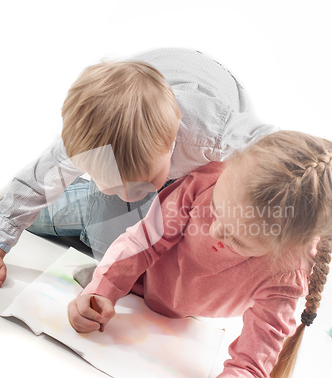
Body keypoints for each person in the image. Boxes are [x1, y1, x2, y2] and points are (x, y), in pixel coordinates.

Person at [67, 130, 332, 378]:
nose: (216, 231)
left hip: (153, 300)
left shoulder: (286, 276)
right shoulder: (209, 181)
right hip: (117, 213)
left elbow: (252, 370)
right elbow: (144, 240)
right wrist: (104, 288)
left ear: (284, 249)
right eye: (216, 209)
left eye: (237, 239)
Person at [0, 48, 276, 285]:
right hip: (158, 92)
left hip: (206, 135)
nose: (130, 196)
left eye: (144, 182)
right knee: (106, 239)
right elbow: (35, 184)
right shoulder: (83, 141)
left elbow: (278, 149)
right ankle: (97, 215)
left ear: (171, 140)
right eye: (112, 186)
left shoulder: (212, 133)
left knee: (191, 246)